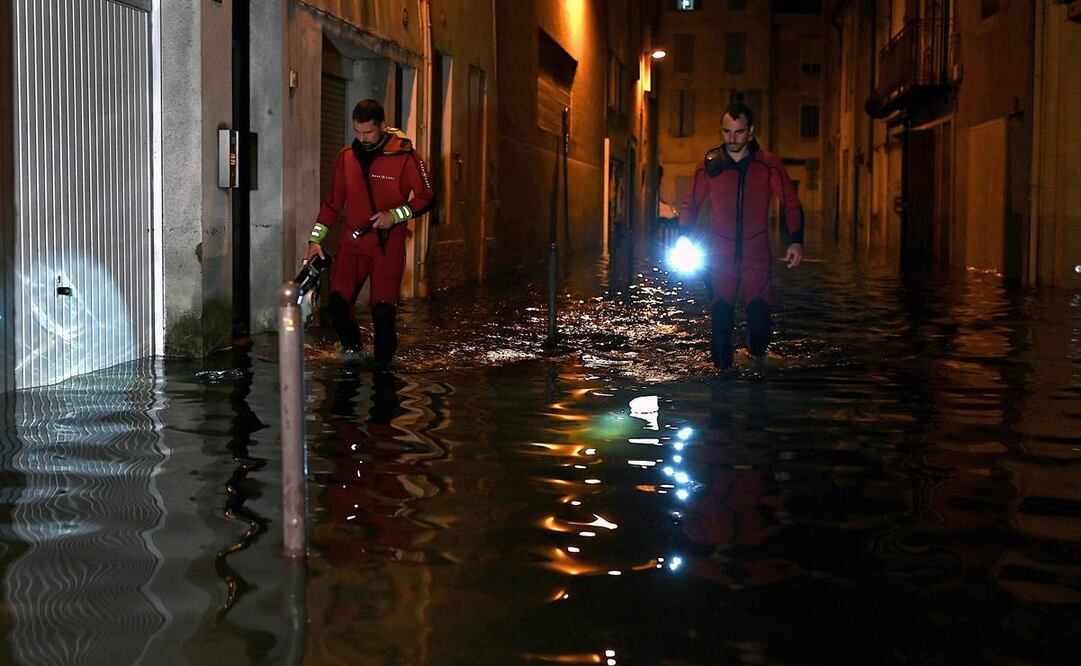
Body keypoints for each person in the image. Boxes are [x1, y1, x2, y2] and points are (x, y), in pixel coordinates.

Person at [307, 99, 435, 367]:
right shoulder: (346, 158)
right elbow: (332, 204)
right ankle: (353, 354)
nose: (362, 138)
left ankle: (384, 375)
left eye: (368, 132)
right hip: (353, 244)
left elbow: (427, 197)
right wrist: (315, 239)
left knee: (383, 312)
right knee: (338, 304)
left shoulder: (405, 157)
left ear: (382, 126)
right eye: (357, 132)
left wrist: (395, 215)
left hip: (387, 247)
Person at [679, 101, 804, 369]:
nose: (731, 139)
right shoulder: (708, 165)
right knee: (721, 327)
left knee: (760, 327)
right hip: (720, 257)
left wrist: (796, 240)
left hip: (756, 256)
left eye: (738, 132)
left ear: (751, 131)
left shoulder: (768, 165)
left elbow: (790, 202)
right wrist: (684, 236)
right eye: (726, 132)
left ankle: (756, 363)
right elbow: (691, 204)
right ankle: (721, 396)